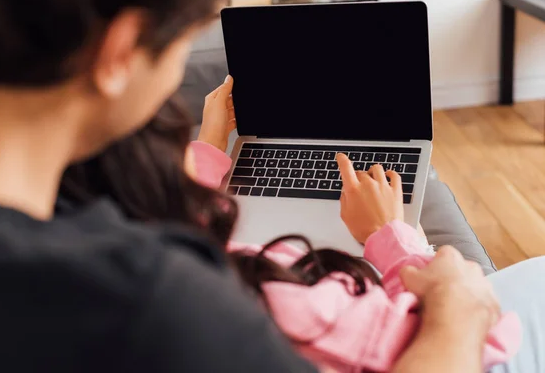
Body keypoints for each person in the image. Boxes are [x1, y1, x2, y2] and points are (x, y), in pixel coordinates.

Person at [0, 0, 535, 372]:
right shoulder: (155, 303)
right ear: (120, 51)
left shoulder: (37, 227)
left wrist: (207, 144)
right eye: (180, 39)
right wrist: (456, 300)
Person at [60, 80, 530, 372]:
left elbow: (169, 221)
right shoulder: (260, 308)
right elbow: (440, 324)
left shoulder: (102, 267)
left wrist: (208, 142)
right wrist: (391, 237)